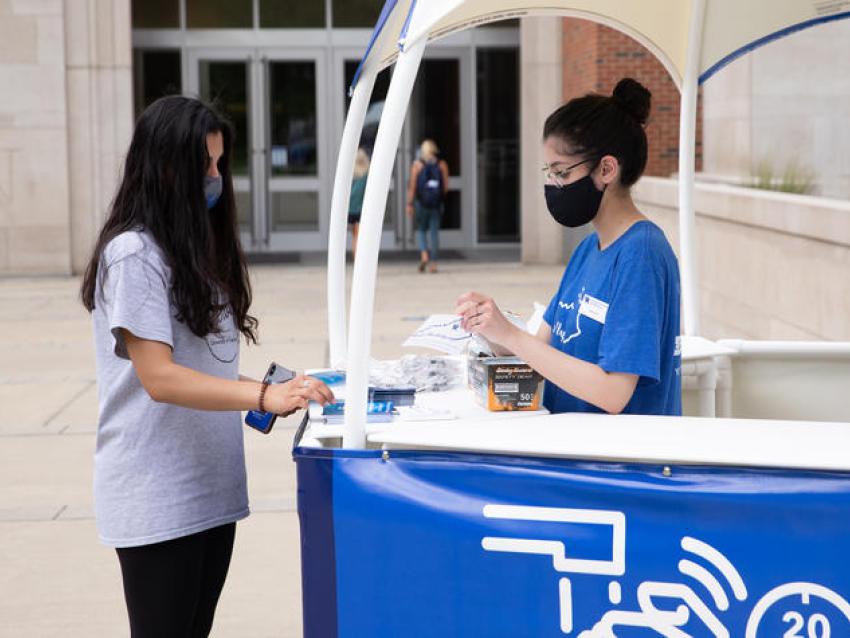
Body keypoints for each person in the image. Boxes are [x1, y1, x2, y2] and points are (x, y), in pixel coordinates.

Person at [79, 96, 334, 637]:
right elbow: (160, 378)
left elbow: (205, 373)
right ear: (162, 167)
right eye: (204, 165)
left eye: (220, 164)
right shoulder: (133, 255)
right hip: (156, 495)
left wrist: (281, 389)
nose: (216, 177)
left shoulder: (194, 253)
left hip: (209, 490)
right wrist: (262, 398)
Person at [456, 78, 681, 416]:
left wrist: (513, 337)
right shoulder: (589, 249)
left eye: (560, 172)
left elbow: (613, 392)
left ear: (606, 169)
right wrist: (490, 326)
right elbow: (541, 349)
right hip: (572, 449)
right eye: (549, 172)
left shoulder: (642, 254)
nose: (552, 184)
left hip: (617, 462)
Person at [406, 139, 449, 273]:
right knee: (434, 233)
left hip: (421, 203)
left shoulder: (417, 165)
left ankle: (424, 255)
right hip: (436, 204)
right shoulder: (442, 165)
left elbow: (412, 187)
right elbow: (446, 187)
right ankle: (434, 263)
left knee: (422, 230)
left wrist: (409, 204)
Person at [348, 147, 370, 259]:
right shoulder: (367, 175)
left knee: (355, 235)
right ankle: (359, 257)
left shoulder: (350, 175)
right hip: (362, 209)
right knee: (360, 235)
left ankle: (356, 256)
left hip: (351, 209)